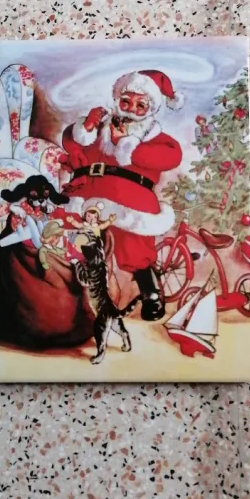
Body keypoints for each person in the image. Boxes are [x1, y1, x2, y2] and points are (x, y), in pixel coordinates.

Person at [61, 69, 184, 321]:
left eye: (141, 105)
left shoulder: (154, 136)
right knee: (70, 235)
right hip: (87, 191)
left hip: (128, 197)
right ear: (117, 100)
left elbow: (171, 155)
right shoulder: (101, 127)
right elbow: (71, 142)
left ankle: (150, 290)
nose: (131, 110)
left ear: (151, 109)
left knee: (132, 241)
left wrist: (125, 145)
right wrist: (85, 127)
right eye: (126, 102)